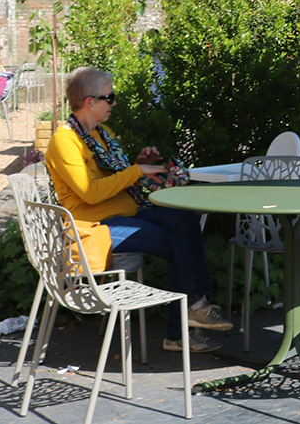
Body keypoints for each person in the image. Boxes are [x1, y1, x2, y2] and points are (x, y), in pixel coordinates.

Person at [46, 66, 232, 352]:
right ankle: (183, 326)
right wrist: (135, 171)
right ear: (89, 102)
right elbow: (90, 192)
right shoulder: (65, 141)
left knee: (184, 219)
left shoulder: (100, 134)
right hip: (94, 226)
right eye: (110, 97)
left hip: (126, 211)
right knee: (176, 241)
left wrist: (138, 163)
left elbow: (113, 175)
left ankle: (192, 311)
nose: (114, 103)